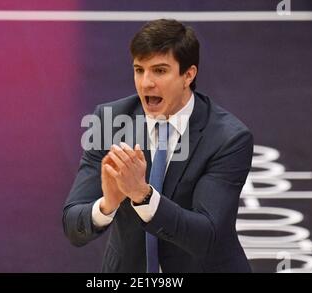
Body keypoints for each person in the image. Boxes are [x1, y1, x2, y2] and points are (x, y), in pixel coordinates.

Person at [63, 19, 253, 273]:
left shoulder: (228, 139)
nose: (146, 83)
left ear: (188, 75)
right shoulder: (108, 121)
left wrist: (143, 196)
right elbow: (73, 226)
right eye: (139, 70)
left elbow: (206, 235)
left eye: (160, 71)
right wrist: (107, 204)